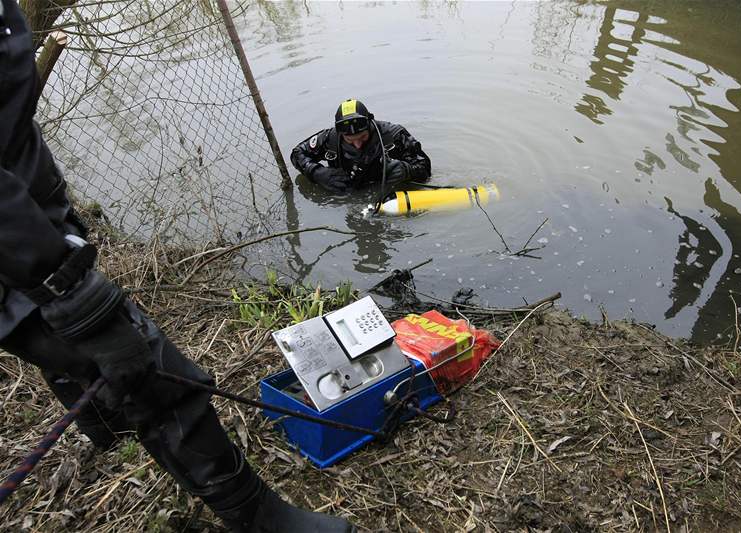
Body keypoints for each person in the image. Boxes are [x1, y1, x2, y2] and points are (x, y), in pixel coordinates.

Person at [0, 2, 354, 532]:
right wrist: (76, 301)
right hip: (23, 255)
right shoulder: (325, 143)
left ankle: (102, 420)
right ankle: (259, 519)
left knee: (80, 361)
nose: (352, 139)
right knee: (156, 376)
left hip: (31, 228)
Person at [291, 99, 431, 192]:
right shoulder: (330, 138)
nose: (357, 145)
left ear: (370, 125)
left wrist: (407, 171)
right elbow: (297, 153)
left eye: (363, 137)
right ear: (341, 134)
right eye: (350, 140)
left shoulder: (394, 136)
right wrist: (318, 173)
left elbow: (425, 168)